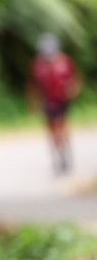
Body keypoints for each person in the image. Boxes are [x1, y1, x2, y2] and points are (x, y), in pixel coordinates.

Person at [29, 33, 81, 173]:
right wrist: (34, 103)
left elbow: (75, 80)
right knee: (52, 133)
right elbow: (33, 86)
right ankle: (58, 159)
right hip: (47, 102)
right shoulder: (38, 65)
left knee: (61, 129)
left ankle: (65, 156)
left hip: (61, 101)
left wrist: (72, 90)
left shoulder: (65, 61)